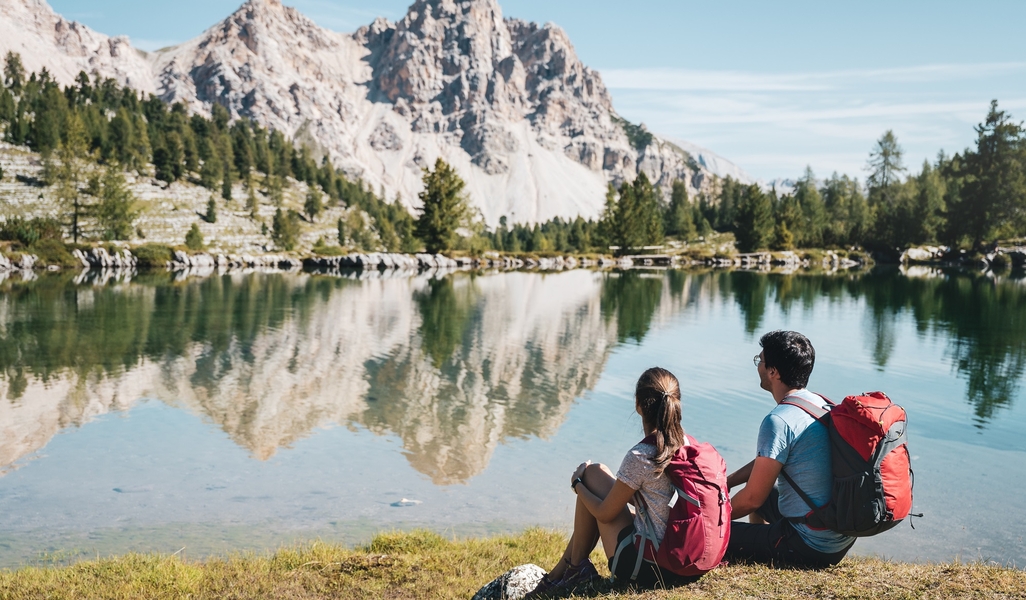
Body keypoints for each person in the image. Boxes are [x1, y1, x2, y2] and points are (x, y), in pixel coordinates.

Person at [525, 367, 700, 598]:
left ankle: (571, 570)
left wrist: (577, 484)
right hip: (688, 558)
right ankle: (564, 571)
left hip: (651, 566)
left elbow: (604, 514)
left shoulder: (641, 456)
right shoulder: (688, 445)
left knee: (590, 477)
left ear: (638, 404)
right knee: (599, 477)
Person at [724, 330, 855, 568]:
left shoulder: (778, 420)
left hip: (808, 545)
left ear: (773, 371)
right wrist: (730, 481)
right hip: (838, 536)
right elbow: (770, 459)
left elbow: (752, 500)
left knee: (712, 534)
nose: (758, 366)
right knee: (766, 494)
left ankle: (765, 544)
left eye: (760, 360)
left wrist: (711, 520)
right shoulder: (820, 404)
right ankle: (762, 543)